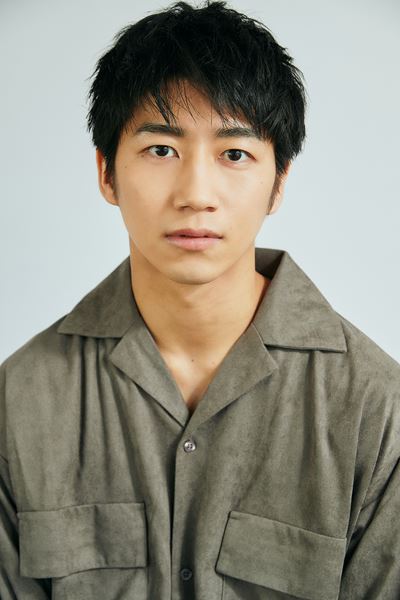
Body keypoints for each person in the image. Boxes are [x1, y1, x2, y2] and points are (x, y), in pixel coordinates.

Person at [1, 1, 399, 598]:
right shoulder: (21, 399)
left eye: (234, 154)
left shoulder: (376, 409)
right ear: (106, 173)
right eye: (162, 150)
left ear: (279, 183)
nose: (196, 194)